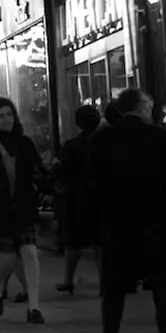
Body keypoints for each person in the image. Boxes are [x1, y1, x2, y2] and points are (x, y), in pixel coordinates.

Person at [85, 88, 166, 333]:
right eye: (149, 104)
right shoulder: (159, 137)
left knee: (114, 285)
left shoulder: (101, 140)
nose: (152, 108)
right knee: (164, 284)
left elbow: (93, 182)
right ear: (141, 106)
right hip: (155, 217)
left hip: (117, 219)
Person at [0, 97, 48, 324]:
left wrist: (49, 183)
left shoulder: (24, 143)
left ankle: (34, 307)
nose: (6, 120)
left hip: (23, 206)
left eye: (9, 115)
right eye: (1, 116)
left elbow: (37, 170)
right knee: (5, 259)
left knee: (30, 253)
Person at [55, 105, 100, 293]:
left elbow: (62, 171)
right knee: (99, 242)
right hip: (99, 198)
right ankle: (104, 281)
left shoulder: (71, 146)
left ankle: (68, 279)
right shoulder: (102, 144)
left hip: (75, 199)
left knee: (73, 243)